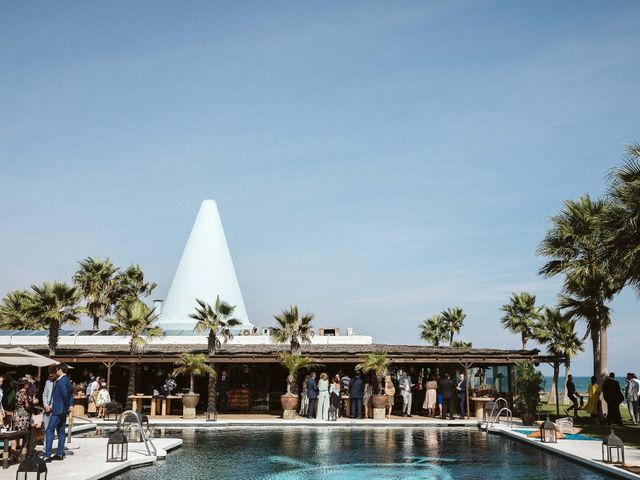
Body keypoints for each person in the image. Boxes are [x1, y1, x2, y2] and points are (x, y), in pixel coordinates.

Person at [44, 363, 74, 462]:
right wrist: (70, 405)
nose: (55, 371)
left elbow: (65, 395)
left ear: (60, 370)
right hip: (63, 410)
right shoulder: (67, 380)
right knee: (61, 431)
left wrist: (67, 406)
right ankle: (60, 453)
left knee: (49, 430)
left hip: (58, 409)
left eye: (56, 370)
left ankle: (47, 455)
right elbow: (70, 395)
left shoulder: (61, 381)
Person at [42, 365, 57, 430]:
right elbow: (44, 394)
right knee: (46, 429)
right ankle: (46, 440)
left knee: (52, 429)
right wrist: (45, 405)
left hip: (55, 409)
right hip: (46, 409)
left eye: (52, 373)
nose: (50, 375)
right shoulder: (48, 382)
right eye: (50, 373)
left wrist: (51, 406)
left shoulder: (60, 383)